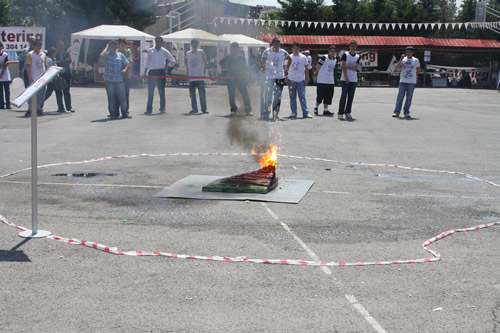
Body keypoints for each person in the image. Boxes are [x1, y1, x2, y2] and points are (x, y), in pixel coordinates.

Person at [260, 37, 290, 121]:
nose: (277, 45)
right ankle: (266, 112)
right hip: (269, 77)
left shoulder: (283, 52)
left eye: (278, 43)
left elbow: (289, 59)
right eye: (275, 43)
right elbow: (262, 60)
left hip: (279, 77)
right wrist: (262, 68)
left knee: (278, 96)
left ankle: (275, 114)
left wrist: (286, 68)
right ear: (272, 44)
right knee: (268, 95)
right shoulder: (267, 51)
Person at [219, 42, 252, 117]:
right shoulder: (228, 57)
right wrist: (225, 67)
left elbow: (244, 68)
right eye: (232, 48)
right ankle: (233, 109)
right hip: (231, 78)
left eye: (235, 47)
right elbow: (220, 63)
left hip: (240, 78)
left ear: (237, 48)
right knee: (231, 95)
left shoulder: (241, 57)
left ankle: (248, 109)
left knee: (244, 94)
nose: (233, 49)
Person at [99, 40, 131, 119]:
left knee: (122, 98)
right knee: (111, 98)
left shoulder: (120, 55)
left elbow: (127, 63)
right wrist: (106, 47)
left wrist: (124, 69)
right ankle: (113, 114)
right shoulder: (107, 55)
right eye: (112, 47)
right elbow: (101, 56)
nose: (113, 48)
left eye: (114, 47)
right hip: (109, 81)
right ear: (109, 47)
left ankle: (125, 113)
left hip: (119, 80)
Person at [144, 36, 175, 115]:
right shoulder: (150, 51)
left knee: (161, 92)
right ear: (155, 41)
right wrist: (145, 72)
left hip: (161, 71)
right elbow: (147, 62)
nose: (158, 43)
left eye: (160, 41)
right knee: (150, 92)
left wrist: (167, 66)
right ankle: (149, 109)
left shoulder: (164, 51)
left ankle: (162, 108)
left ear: (162, 42)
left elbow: (173, 61)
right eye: (157, 41)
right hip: (152, 71)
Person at [392, 46, 420, 119]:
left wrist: (415, 75)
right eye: (407, 51)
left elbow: (418, 69)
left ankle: (406, 112)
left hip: (411, 81)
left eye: (410, 52)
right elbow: (397, 67)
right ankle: (397, 111)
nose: (408, 53)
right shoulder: (403, 59)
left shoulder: (415, 60)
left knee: (409, 97)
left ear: (412, 52)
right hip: (403, 81)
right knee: (400, 96)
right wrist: (401, 59)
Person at [285, 42, 312, 119]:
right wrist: (286, 78)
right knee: (292, 97)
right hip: (291, 79)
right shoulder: (289, 57)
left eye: (297, 48)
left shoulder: (303, 57)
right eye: (294, 48)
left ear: (299, 49)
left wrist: (306, 79)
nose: (296, 49)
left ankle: (305, 112)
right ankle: (294, 112)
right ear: (292, 49)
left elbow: (307, 69)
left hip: (300, 79)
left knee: (302, 96)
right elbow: (285, 68)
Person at [338, 40, 360, 121]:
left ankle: (348, 112)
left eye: (354, 46)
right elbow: (342, 66)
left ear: (356, 47)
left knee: (351, 97)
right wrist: (346, 77)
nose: (353, 47)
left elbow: (355, 68)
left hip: (354, 79)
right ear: (349, 47)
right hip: (345, 78)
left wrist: (347, 66)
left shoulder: (357, 56)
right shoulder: (345, 55)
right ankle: (340, 113)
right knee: (344, 96)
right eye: (351, 46)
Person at [25, 39, 48, 117]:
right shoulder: (30, 54)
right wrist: (30, 78)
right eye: (37, 45)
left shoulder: (43, 54)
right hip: (34, 77)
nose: (38, 47)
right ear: (33, 46)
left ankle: (38, 108)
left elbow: (45, 65)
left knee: (41, 94)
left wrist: (47, 76)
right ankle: (30, 109)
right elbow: (28, 67)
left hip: (42, 77)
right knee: (31, 94)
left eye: (40, 45)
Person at [314, 45, 337, 117]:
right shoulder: (324, 57)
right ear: (329, 51)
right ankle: (316, 107)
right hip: (322, 80)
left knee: (329, 96)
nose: (333, 53)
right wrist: (317, 75)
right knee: (320, 95)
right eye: (331, 51)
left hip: (330, 81)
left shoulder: (335, 59)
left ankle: (326, 110)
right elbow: (317, 67)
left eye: (334, 51)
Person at [44, 47, 69, 113]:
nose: (55, 55)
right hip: (52, 79)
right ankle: (38, 104)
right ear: (52, 53)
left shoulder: (52, 59)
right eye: (55, 53)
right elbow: (50, 69)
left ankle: (38, 105)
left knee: (51, 93)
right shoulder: (49, 60)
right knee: (56, 93)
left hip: (53, 79)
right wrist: (60, 70)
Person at [186, 39, 208, 114]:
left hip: (200, 77)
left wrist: (204, 72)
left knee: (202, 94)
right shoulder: (188, 53)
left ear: (197, 45)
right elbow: (187, 65)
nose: (194, 45)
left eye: (196, 44)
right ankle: (194, 109)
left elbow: (205, 62)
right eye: (193, 44)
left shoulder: (201, 52)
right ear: (191, 45)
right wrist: (187, 75)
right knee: (192, 95)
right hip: (191, 77)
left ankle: (204, 108)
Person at [55, 40, 75, 112]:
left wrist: (61, 62)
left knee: (66, 92)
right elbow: (56, 63)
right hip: (58, 75)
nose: (61, 48)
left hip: (66, 75)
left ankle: (69, 107)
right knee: (58, 92)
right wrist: (63, 62)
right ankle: (60, 108)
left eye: (62, 46)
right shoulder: (55, 54)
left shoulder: (66, 53)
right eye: (60, 46)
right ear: (56, 47)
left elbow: (69, 61)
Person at [118, 38, 132, 108]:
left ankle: (126, 109)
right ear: (119, 44)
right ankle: (116, 110)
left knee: (126, 93)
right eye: (121, 43)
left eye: (124, 43)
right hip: (117, 75)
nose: (122, 45)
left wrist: (125, 69)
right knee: (117, 93)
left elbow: (129, 61)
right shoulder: (116, 51)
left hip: (126, 75)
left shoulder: (128, 52)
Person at [0, 42, 11, 109]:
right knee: (0, 91)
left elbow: (6, 64)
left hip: (5, 74)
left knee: (7, 90)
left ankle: (8, 104)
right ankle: (1, 104)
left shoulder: (4, 54)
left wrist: (2, 73)